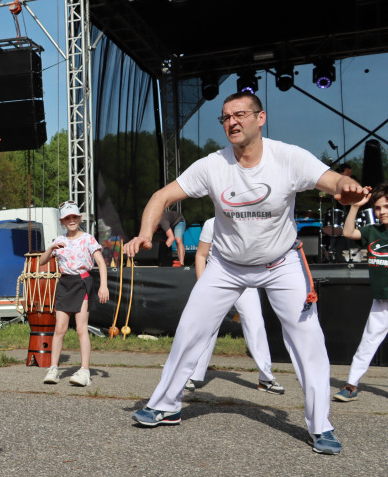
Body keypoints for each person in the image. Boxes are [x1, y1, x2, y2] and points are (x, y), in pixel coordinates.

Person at [124, 92, 366, 455]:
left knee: (307, 342)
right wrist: (145, 233)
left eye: (240, 114)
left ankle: (321, 426)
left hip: (281, 264)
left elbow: (332, 183)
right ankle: (166, 405)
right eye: (225, 118)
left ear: (260, 118)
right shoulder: (212, 165)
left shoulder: (288, 157)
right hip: (227, 266)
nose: (232, 122)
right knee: (191, 330)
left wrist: (345, 189)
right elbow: (160, 197)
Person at [183, 217, 278, 393]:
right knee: (207, 328)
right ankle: (191, 375)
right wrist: (202, 285)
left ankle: (266, 378)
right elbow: (201, 255)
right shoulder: (212, 223)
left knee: (255, 324)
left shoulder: (251, 221)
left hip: (246, 282)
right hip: (218, 280)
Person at [40, 201, 109, 387]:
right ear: (62, 221)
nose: (71, 220)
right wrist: (50, 249)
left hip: (82, 282)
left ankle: (85, 371)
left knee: (81, 328)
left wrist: (103, 286)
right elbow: (41, 261)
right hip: (65, 283)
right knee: (59, 328)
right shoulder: (58, 240)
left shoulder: (88, 239)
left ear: (79, 218)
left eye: (74, 217)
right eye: (67, 218)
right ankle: (53, 368)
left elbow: (101, 263)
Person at [334, 183, 388, 402]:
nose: (382, 211)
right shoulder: (373, 231)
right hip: (381, 301)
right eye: (378, 208)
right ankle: (351, 386)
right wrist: (355, 207)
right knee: (368, 343)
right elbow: (347, 232)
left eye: (386, 206)